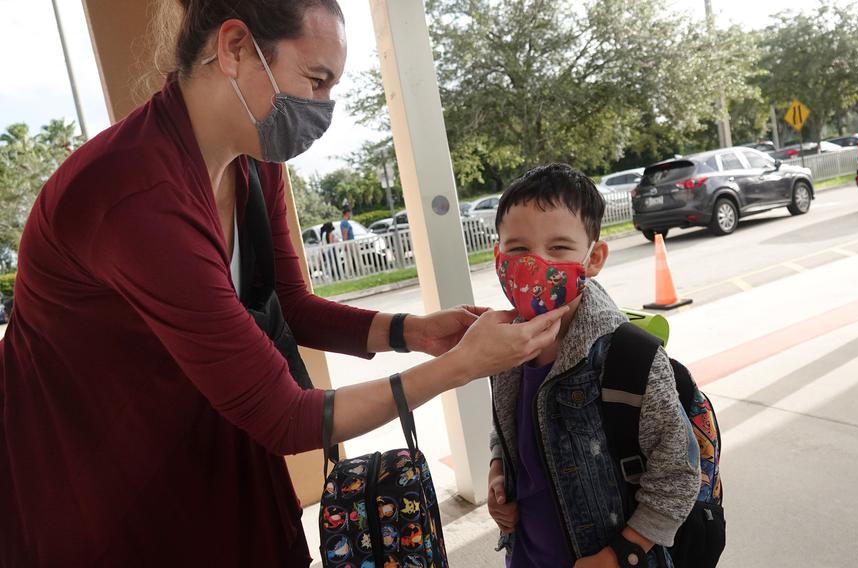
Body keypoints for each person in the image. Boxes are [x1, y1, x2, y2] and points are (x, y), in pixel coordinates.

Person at [0, 2, 568, 566]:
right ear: (236, 48)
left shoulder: (254, 161)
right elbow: (284, 416)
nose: (324, 107)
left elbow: (288, 305)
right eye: (315, 80)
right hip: (103, 473)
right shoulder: (135, 195)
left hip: (211, 439)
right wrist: (460, 366)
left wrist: (414, 332)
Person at [486, 164, 700, 568]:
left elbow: (678, 472)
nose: (535, 266)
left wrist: (623, 554)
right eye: (517, 250)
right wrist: (499, 472)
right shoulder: (504, 347)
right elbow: (507, 426)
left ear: (594, 257)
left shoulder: (626, 358)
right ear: (498, 256)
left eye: (559, 248)